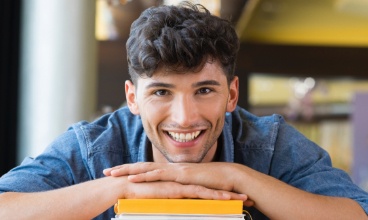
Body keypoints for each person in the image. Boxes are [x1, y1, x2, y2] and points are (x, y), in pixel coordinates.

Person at [1, 2, 368, 219]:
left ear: (232, 94)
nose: (185, 117)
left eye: (205, 90)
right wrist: (123, 188)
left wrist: (237, 176)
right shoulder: (95, 145)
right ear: (132, 98)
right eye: (161, 91)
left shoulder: (267, 142)